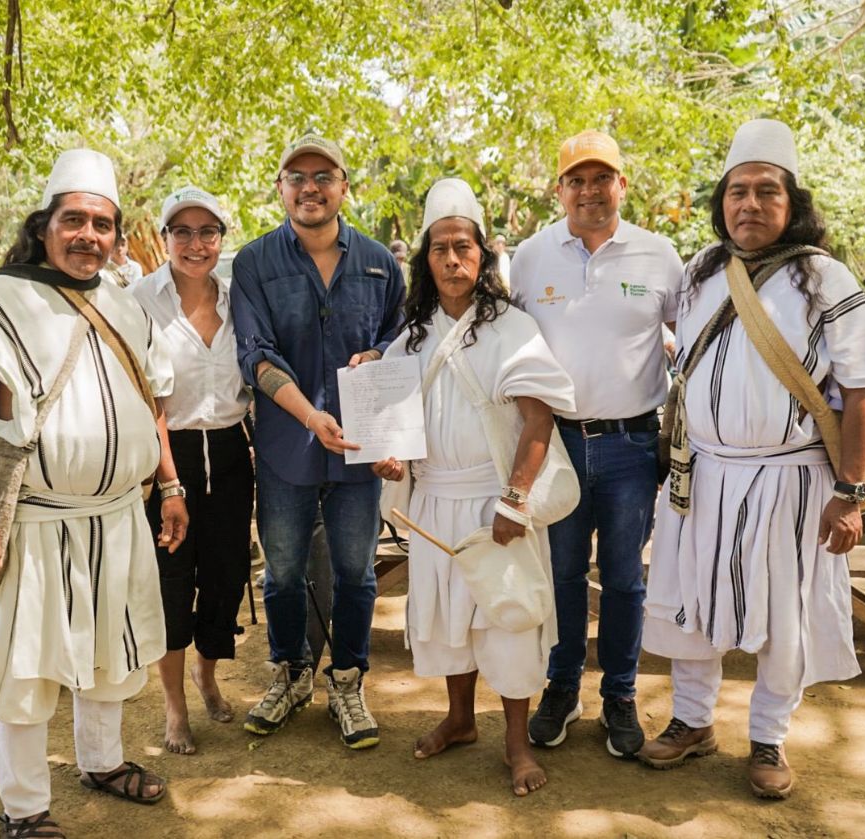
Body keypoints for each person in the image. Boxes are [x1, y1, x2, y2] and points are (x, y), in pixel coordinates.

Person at [0, 149, 184, 838]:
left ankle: (100, 761)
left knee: (112, 649)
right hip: (38, 523)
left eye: (102, 223)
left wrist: (172, 484)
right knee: (29, 667)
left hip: (123, 515)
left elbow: (153, 402)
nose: (88, 235)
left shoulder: (125, 305)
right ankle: (25, 806)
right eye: (74, 219)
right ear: (44, 226)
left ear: (115, 235)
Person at [637, 119, 865, 799]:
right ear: (722, 200)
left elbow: (861, 392)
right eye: (737, 191)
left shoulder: (825, 277)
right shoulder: (698, 272)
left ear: (791, 201)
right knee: (693, 596)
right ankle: (692, 720)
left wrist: (851, 490)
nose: (749, 203)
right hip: (703, 471)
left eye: (766, 191)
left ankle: (770, 735)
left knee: (785, 610)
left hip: (793, 480)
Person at [374, 178, 576, 796]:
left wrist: (515, 500)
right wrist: (394, 462)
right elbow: (400, 427)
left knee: (506, 621)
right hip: (435, 497)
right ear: (426, 260)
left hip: (497, 501)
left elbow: (538, 418)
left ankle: (516, 744)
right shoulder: (412, 335)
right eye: (440, 249)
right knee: (445, 619)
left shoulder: (513, 328)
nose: (453, 259)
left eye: (464, 246)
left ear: (482, 255)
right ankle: (460, 720)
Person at [509, 129, 684, 757]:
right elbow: (499, 336)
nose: (589, 191)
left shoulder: (659, 255)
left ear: (622, 185)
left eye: (601, 178)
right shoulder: (529, 258)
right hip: (551, 445)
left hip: (630, 447)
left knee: (623, 580)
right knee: (559, 573)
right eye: (576, 180)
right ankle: (561, 685)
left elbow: (693, 338)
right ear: (559, 190)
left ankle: (619, 694)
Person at [231, 133, 404, 749]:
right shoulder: (253, 264)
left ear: (343, 187)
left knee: (358, 573)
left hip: (360, 450)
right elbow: (255, 355)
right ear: (280, 188)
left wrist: (379, 354)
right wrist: (310, 417)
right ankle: (290, 672)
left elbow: (399, 336)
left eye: (323, 175)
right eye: (296, 176)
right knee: (280, 572)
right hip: (286, 449)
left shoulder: (382, 262)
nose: (310, 186)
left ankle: (348, 681)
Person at [131, 186, 253, 755]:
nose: (196, 244)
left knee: (226, 578)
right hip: (168, 455)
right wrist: (169, 483)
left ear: (221, 240)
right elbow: (145, 398)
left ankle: (208, 675)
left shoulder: (238, 300)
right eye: (183, 232)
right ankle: (175, 708)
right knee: (172, 584)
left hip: (230, 456)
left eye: (208, 232)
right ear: (165, 239)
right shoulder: (139, 301)